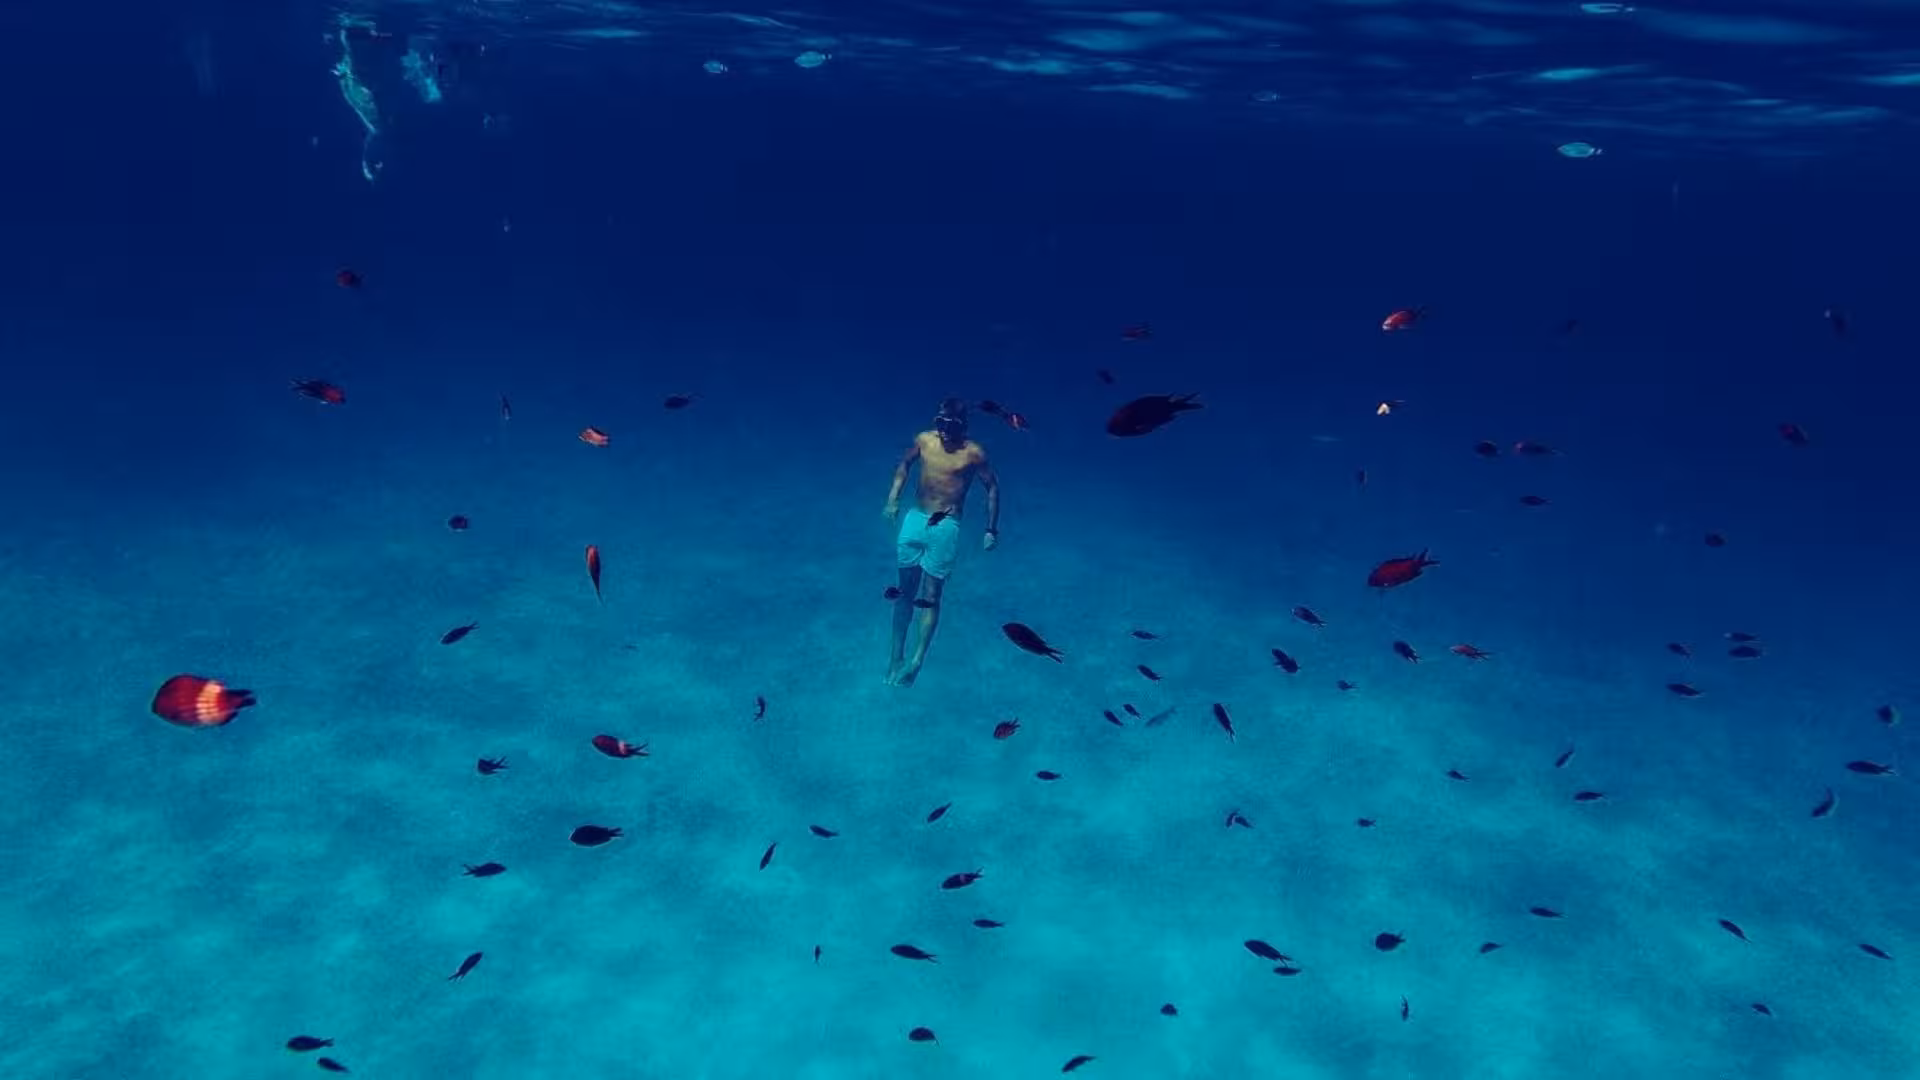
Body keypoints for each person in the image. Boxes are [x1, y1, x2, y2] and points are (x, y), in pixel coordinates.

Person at [882, 398, 1000, 686]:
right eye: (941, 423)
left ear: (964, 426)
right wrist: (893, 499)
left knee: (931, 596)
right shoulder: (924, 440)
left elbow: (992, 487)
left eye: (952, 425)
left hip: (946, 524)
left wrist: (991, 529)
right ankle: (895, 656)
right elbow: (904, 464)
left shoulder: (973, 454)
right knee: (904, 591)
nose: (945, 430)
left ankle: (916, 660)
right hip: (915, 519)